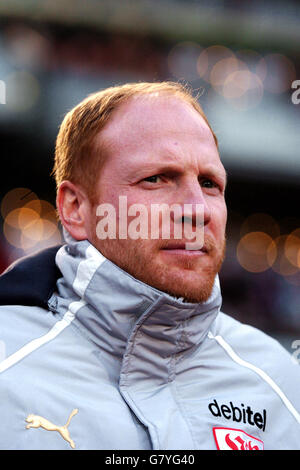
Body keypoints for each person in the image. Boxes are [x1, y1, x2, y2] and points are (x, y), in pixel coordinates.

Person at [0, 81, 299, 451]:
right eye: (156, 179)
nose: (196, 210)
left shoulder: (281, 385)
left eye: (210, 183)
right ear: (75, 209)